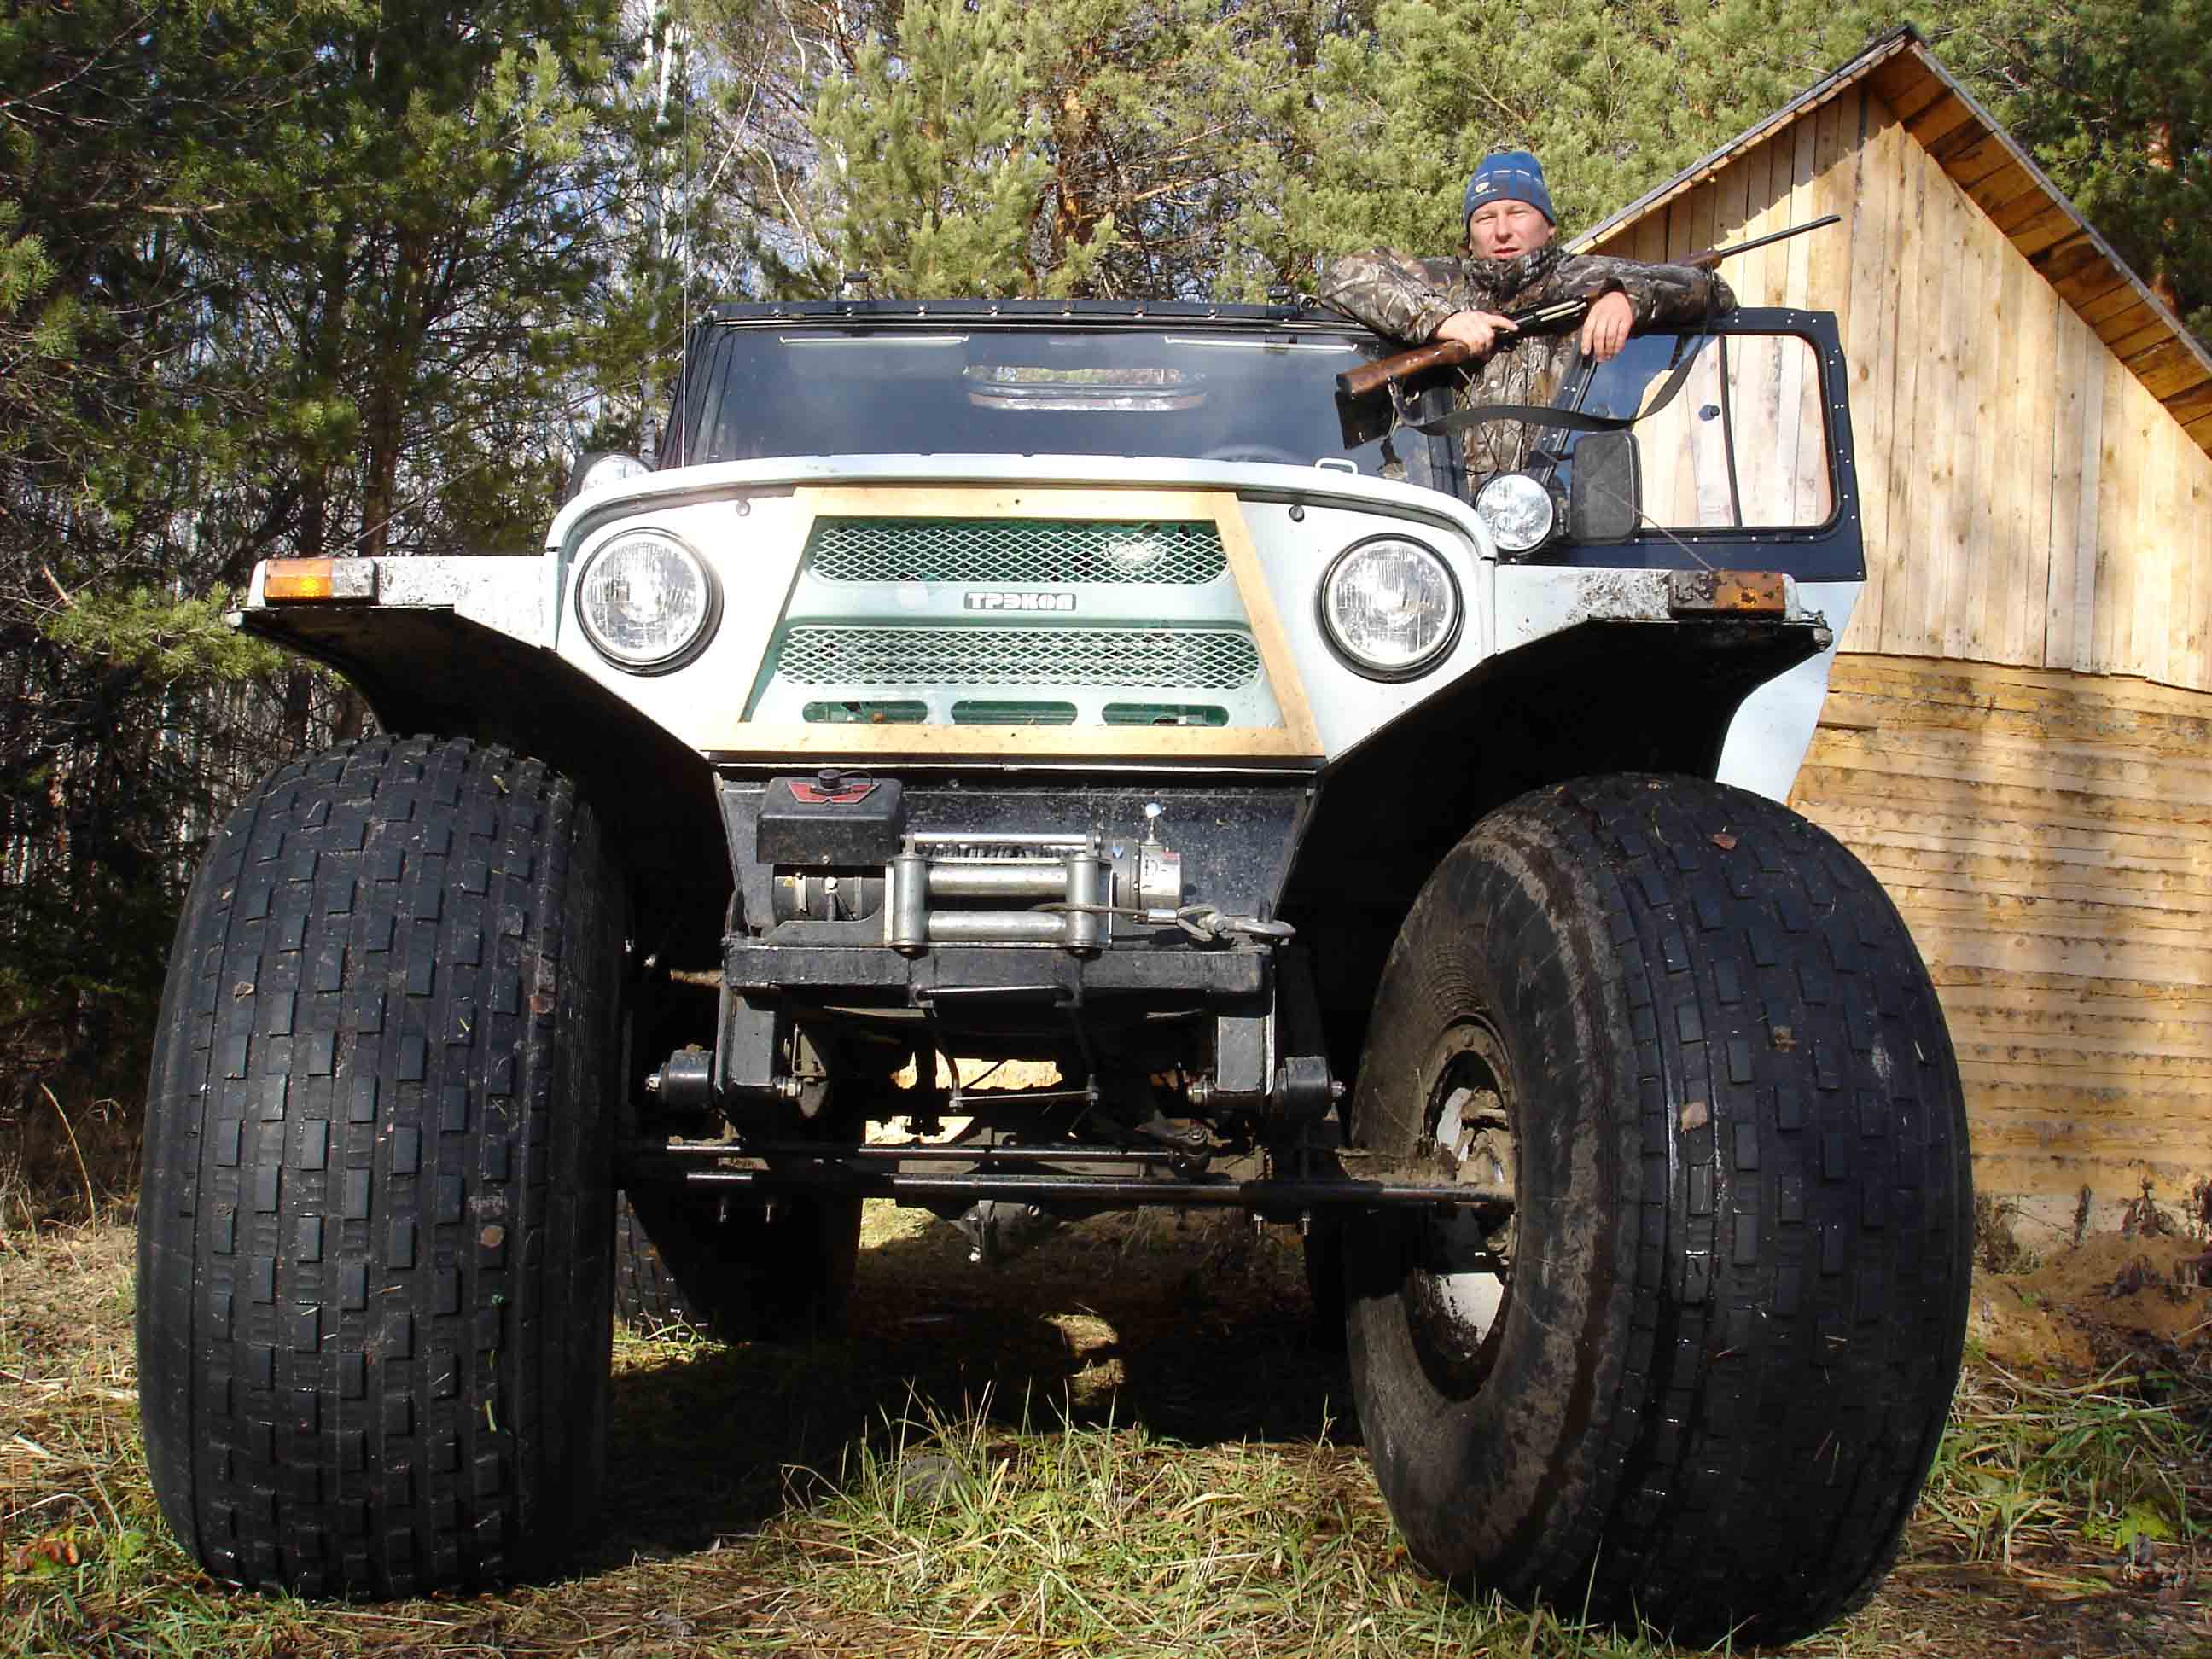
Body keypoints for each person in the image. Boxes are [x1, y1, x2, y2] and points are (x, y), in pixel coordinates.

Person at [1320, 150, 1734, 486]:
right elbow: (1343, 274)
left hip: (1564, 512)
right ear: (1470, 234)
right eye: (1485, 217)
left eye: (1518, 212)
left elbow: (1714, 291)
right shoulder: (1440, 283)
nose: (1501, 231)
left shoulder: (1593, 277)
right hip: (1443, 508)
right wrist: (1440, 319)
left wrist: (1628, 297)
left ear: (1549, 225)